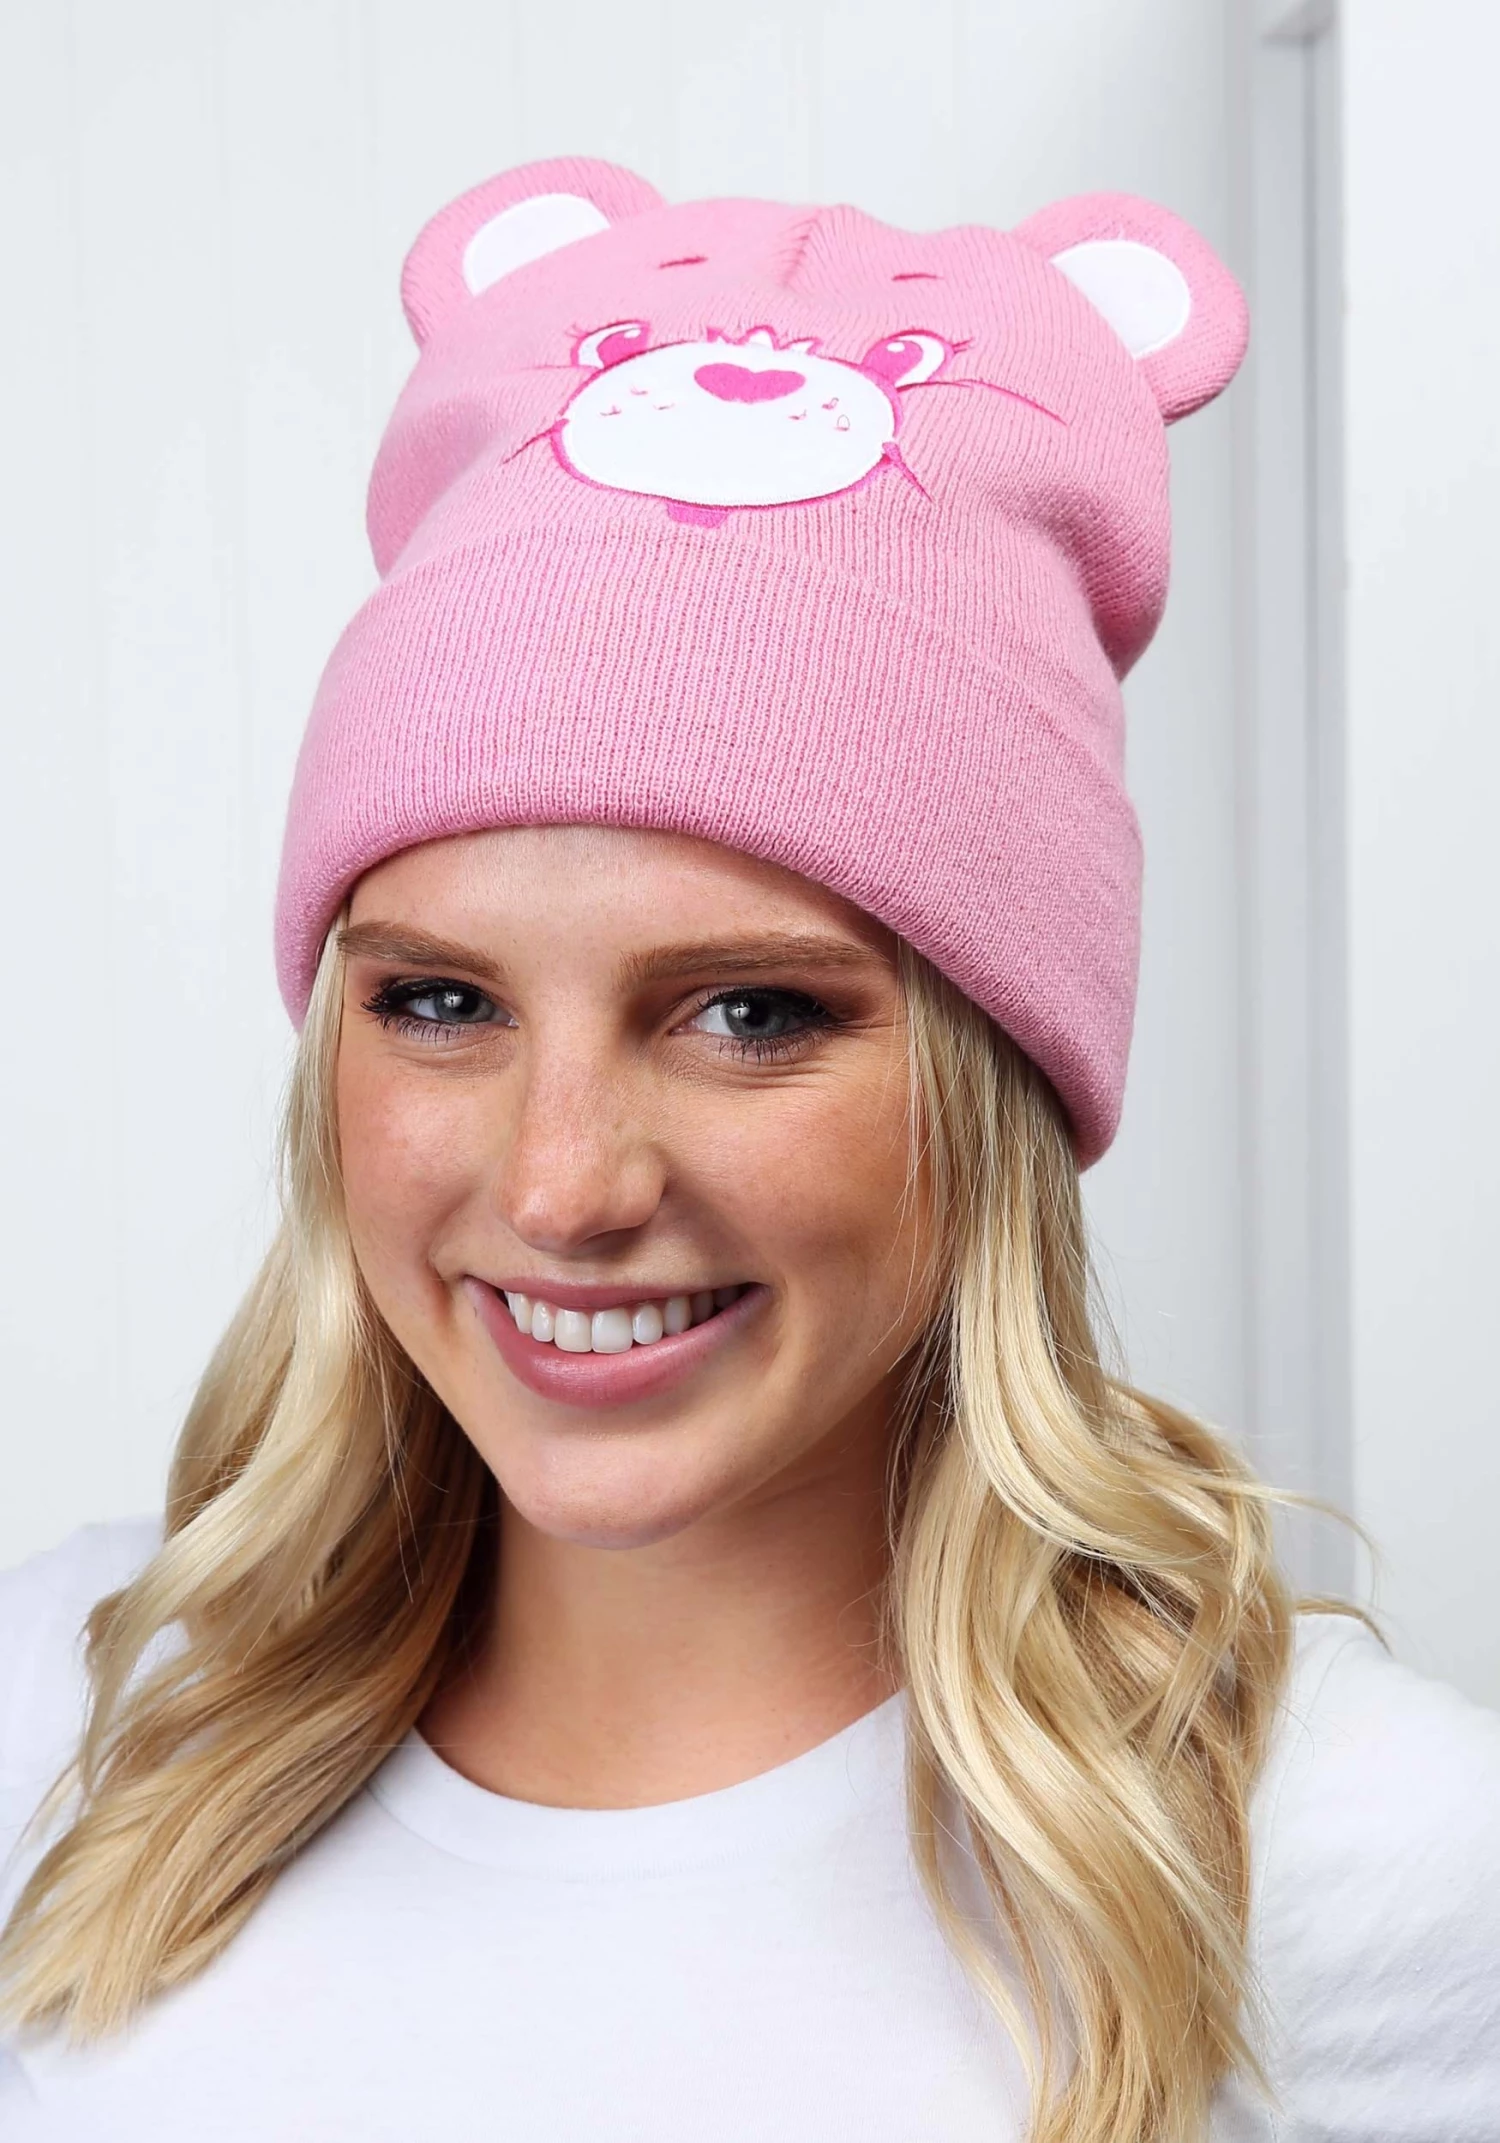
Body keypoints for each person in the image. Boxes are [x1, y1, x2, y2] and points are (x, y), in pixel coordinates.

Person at [2, 155, 1497, 2143]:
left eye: (752, 1015)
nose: (563, 1187)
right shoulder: (71, 1716)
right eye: (439, 1001)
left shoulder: (1337, 1857)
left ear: (997, 1082)